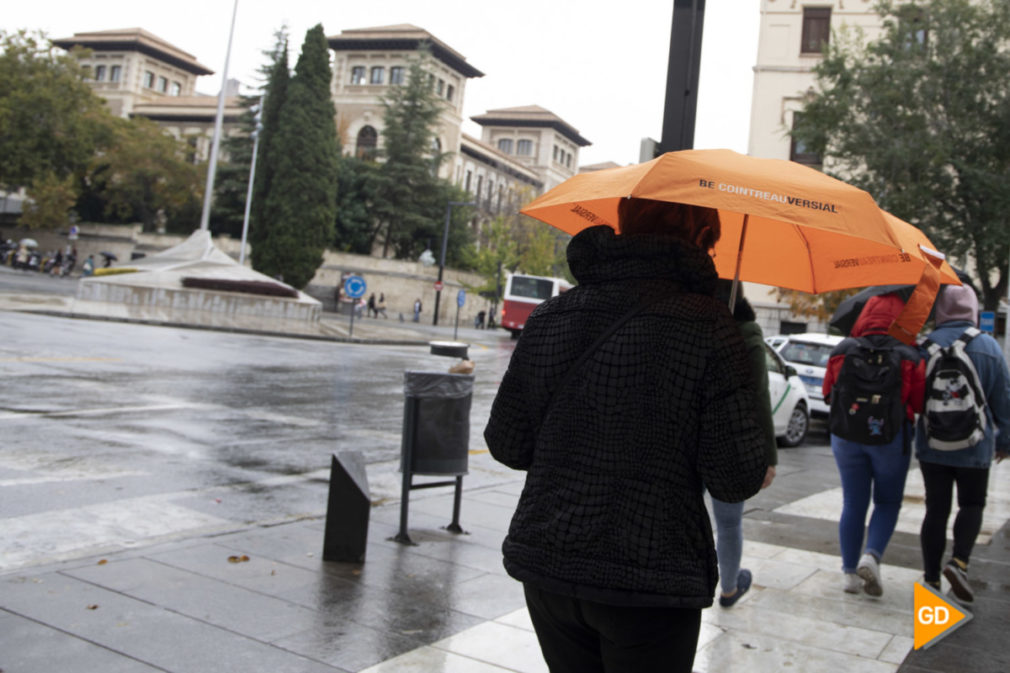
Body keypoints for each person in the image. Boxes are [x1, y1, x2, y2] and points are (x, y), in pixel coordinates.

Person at [484, 198, 768, 673]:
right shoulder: (709, 326)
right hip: (650, 581)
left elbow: (507, 444)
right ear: (700, 240)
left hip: (550, 565)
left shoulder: (553, 314)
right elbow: (736, 477)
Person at [823, 293, 925, 596]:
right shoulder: (909, 354)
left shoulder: (842, 350)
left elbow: (829, 393)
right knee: (888, 502)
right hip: (890, 438)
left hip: (846, 436)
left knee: (853, 503)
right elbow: (918, 402)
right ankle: (873, 555)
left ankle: (850, 575)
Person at [916, 284, 1010, 603]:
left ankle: (930, 577)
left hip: (933, 445)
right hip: (975, 445)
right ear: (971, 308)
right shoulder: (989, 347)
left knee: (936, 509)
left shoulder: (924, 345)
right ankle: (959, 563)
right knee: (971, 504)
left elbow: (916, 398)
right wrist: (1005, 442)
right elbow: (1004, 400)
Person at [710, 279, 779, 608]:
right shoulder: (748, 335)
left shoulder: (695, 325)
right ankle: (728, 587)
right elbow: (759, 399)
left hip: (690, 437)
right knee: (728, 522)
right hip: (731, 444)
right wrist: (768, 455)